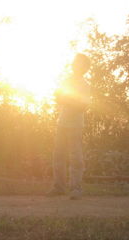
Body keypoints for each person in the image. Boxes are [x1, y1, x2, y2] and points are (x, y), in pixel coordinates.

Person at [47, 53, 91, 199]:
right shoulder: (66, 81)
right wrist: (61, 98)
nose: (74, 64)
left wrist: (66, 100)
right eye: (74, 62)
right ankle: (59, 187)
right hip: (62, 122)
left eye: (77, 63)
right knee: (58, 155)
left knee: (75, 156)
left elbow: (82, 106)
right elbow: (59, 98)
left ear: (84, 67)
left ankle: (76, 189)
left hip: (76, 124)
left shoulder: (84, 85)